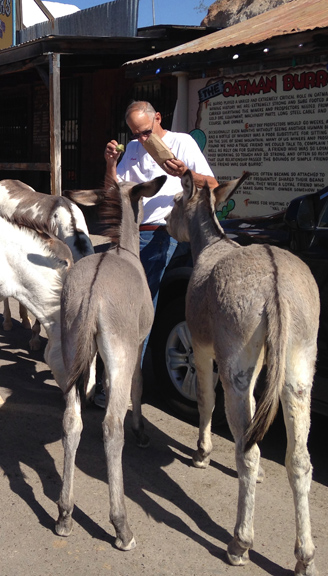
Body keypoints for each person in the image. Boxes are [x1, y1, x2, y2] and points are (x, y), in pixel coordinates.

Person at [95, 100, 219, 407]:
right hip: (133, 233)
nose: (143, 140)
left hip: (169, 233)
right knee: (115, 305)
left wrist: (186, 173)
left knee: (141, 308)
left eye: (147, 132)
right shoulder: (134, 151)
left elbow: (213, 185)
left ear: (159, 119)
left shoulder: (182, 143)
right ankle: (110, 378)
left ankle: (125, 384)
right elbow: (113, 193)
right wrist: (111, 163)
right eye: (136, 135)